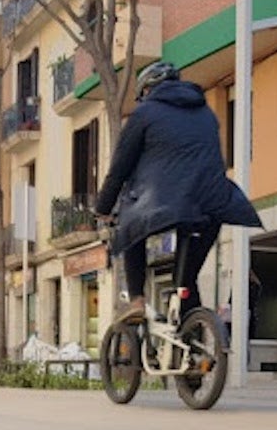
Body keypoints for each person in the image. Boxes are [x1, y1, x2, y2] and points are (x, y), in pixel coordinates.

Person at [95, 61, 262, 323]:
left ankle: (137, 299)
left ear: (147, 91)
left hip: (165, 201)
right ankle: (196, 339)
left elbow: (119, 169)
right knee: (184, 281)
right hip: (214, 203)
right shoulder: (206, 113)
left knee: (130, 229)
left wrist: (103, 208)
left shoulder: (144, 114)